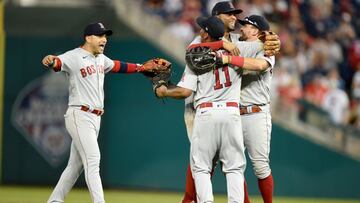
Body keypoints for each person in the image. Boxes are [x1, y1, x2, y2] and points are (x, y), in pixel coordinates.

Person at [42, 22, 161, 203]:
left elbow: (117, 66)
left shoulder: (101, 58)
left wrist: (140, 67)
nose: (104, 40)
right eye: (100, 36)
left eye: (105, 36)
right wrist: (51, 59)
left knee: (75, 166)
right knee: (93, 160)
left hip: (95, 118)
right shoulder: (74, 56)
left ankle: (55, 200)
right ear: (88, 38)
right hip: (79, 114)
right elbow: (58, 62)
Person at [181, 2, 279, 203]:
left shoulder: (243, 42)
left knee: (254, 166)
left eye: (237, 16)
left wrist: (270, 39)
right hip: (224, 110)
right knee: (209, 162)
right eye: (230, 14)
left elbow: (260, 63)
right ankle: (189, 199)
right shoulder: (211, 39)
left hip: (253, 112)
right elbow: (193, 50)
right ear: (217, 17)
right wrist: (222, 45)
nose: (236, 19)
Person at [157, 15, 247, 203]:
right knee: (235, 168)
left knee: (201, 168)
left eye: (202, 29)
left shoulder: (194, 58)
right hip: (231, 113)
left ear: (206, 34)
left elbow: (184, 92)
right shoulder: (238, 53)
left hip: (207, 113)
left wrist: (164, 91)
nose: (199, 31)